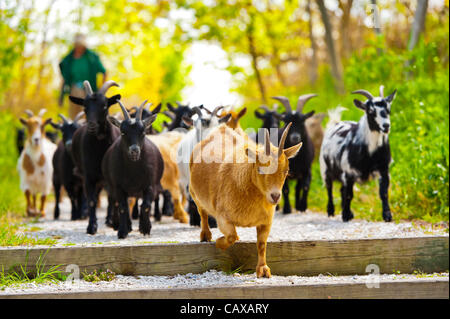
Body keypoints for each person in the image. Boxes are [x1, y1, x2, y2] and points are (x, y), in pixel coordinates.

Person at [59, 33, 107, 118]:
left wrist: (101, 90)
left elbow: (104, 72)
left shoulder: (91, 57)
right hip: (74, 89)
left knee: (86, 115)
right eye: (77, 45)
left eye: (80, 45)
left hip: (88, 90)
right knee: (73, 117)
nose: (79, 48)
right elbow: (64, 75)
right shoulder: (68, 59)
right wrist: (61, 94)